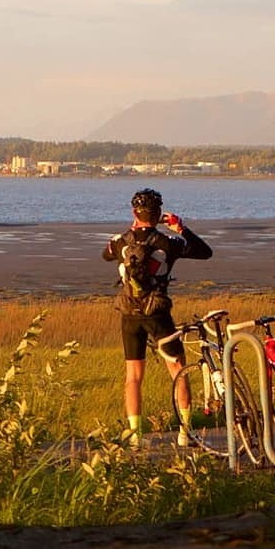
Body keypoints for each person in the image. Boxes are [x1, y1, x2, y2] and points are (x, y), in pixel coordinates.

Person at [103, 187, 212, 448]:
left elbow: (105, 255)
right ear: (160, 214)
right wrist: (181, 228)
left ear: (134, 213)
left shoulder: (120, 242)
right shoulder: (169, 244)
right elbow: (205, 251)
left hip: (130, 315)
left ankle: (135, 434)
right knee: (178, 370)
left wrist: (130, 234)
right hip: (158, 313)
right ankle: (185, 432)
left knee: (133, 376)